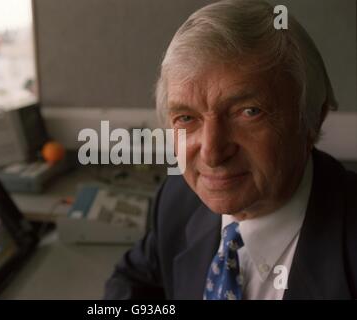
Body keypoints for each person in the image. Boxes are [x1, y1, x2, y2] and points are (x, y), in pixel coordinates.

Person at [104, 0, 357, 300]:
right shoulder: (178, 201)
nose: (212, 153)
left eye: (248, 112)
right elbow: (131, 280)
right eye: (186, 118)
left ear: (313, 118)